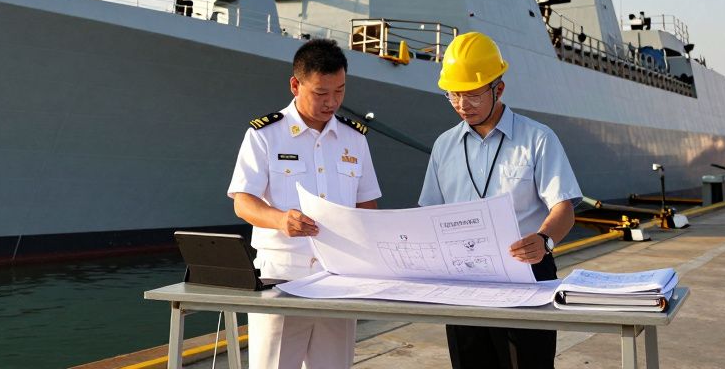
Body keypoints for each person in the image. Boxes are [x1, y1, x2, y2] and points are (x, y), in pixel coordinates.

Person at [420, 31, 582, 369]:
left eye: (474, 95)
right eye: (454, 95)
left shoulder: (538, 139)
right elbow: (430, 213)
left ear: (499, 88)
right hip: (463, 278)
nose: (463, 105)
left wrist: (544, 240)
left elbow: (564, 207)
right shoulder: (443, 146)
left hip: (527, 270)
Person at [228, 39, 381, 369]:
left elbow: (367, 205)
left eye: (339, 91)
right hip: (283, 278)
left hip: (340, 278)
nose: (332, 102)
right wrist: (282, 220)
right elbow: (243, 202)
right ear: (295, 85)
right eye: (321, 93)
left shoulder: (354, 138)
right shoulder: (265, 134)